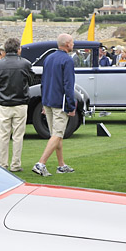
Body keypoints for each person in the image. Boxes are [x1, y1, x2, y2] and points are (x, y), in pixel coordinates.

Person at [33, 34, 77, 176]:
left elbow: (44, 82)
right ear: (67, 44)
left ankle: (61, 165)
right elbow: (68, 85)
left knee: (56, 134)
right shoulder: (67, 61)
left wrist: (44, 103)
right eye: (72, 42)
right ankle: (41, 163)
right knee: (58, 134)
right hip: (59, 102)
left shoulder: (49, 58)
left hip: (48, 101)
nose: (73, 44)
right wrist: (71, 106)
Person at [0, 37, 30, 172]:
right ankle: (15, 164)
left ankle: (2, 164)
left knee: (3, 135)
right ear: (18, 49)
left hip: (4, 103)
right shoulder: (25, 64)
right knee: (18, 136)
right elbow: (30, 80)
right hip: (21, 103)